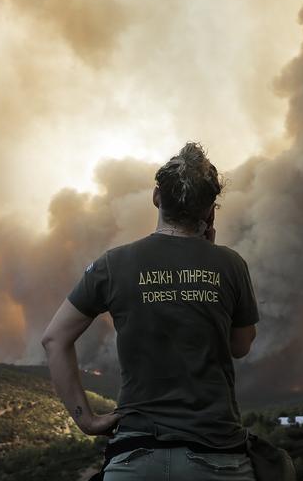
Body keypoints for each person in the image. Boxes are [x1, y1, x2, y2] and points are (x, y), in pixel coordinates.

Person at [42, 142, 259, 480]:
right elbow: (240, 346)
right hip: (217, 457)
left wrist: (87, 420)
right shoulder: (230, 265)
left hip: (134, 458)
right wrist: (209, 261)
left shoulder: (113, 264)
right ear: (211, 211)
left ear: (157, 196)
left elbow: (54, 339)